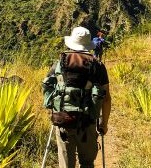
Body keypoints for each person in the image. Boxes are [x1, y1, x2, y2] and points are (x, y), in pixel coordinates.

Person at [46, 26, 111, 168]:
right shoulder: (98, 66)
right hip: (87, 123)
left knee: (66, 165)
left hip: (63, 120)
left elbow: (49, 89)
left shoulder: (59, 64)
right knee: (87, 163)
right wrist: (103, 124)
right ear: (88, 45)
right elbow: (106, 99)